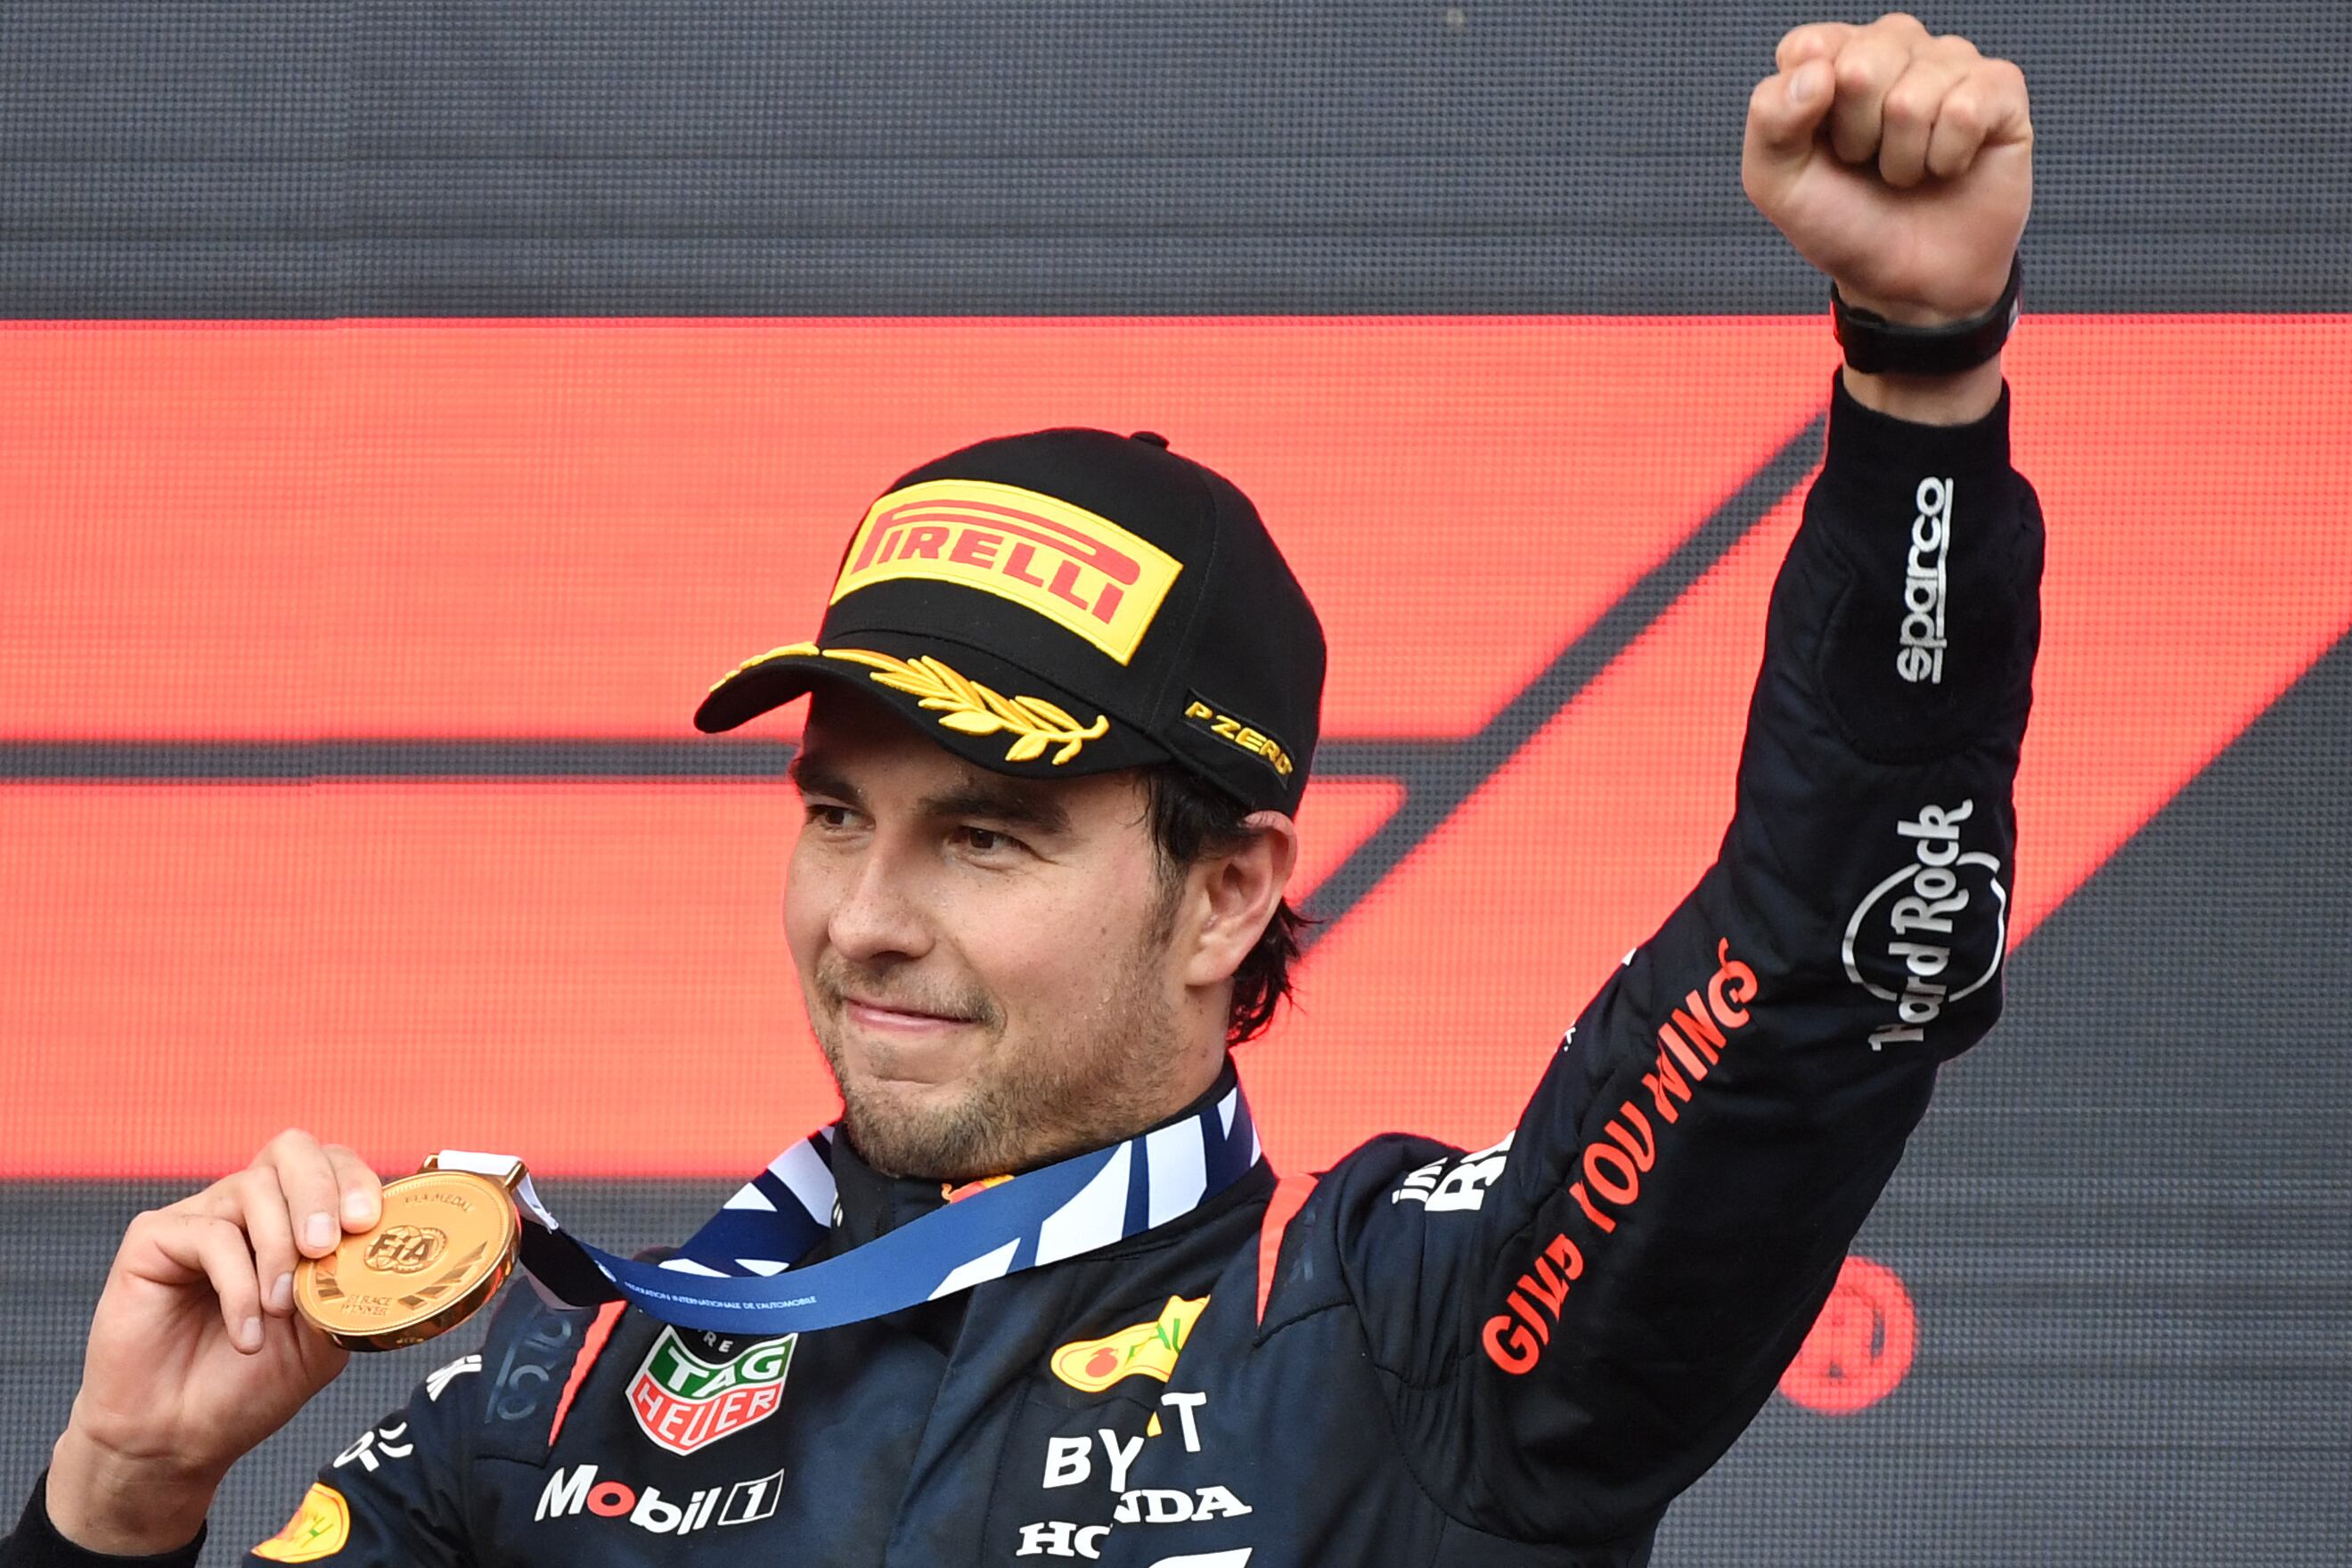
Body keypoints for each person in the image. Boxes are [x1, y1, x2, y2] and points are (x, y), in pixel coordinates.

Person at [8, 15, 2040, 1566]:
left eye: (985, 833)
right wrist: (122, 1490)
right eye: (834, 811)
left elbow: (1813, 976)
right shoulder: (559, 1404)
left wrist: (1922, 388)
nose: (865, 912)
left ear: (1232, 892)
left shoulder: (1408, 1343)